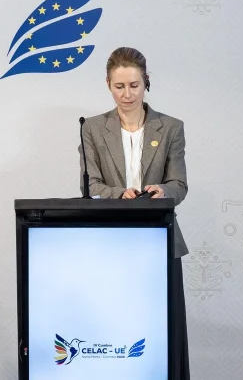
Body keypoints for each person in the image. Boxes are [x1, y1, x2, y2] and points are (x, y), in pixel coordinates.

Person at [80, 46, 189, 378]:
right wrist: (119, 193)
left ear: (146, 82)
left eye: (134, 85)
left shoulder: (170, 127)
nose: (127, 94)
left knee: (162, 331)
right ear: (108, 85)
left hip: (160, 238)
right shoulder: (92, 128)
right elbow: (90, 185)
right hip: (110, 241)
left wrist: (162, 191)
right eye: (119, 86)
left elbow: (179, 184)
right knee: (113, 330)